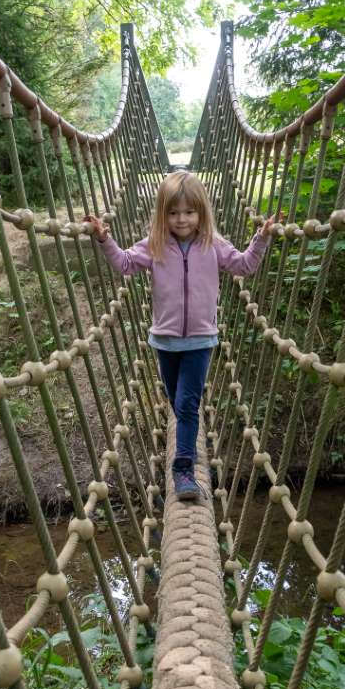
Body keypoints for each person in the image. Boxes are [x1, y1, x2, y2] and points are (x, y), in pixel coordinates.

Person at [85, 171, 275, 501]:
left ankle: (183, 469)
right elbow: (126, 264)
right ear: (163, 214)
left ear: (201, 212)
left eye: (189, 212)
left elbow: (244, 266)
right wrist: (104, 239)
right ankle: (187, 449)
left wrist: (260, 239)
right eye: (173, 213)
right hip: (165, 339)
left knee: (187, 403)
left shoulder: (213, 244)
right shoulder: (156, 245)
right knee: (177, 401)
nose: (182, 219)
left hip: (201, 339)